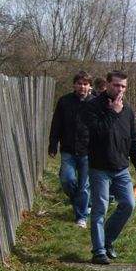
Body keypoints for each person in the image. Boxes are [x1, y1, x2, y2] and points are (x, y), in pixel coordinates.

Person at [85, 70, 136, 265]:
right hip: (99, 167)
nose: (119, 89)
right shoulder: (93, 106)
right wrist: (113, 113)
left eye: (123, 86)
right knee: (100, 208)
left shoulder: (127, 110)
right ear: (108, 84)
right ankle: (98, 251)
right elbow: (97, 133)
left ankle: (108, 240)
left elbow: (133, 139)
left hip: (121, 168)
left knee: (129, 204)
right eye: (116, 85)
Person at [48, 71, 94, 228]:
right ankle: (80, 202)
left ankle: (81, 217)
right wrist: (53, 145)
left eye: (85, 84)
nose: (82, 86)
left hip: (88, 152)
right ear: (74, 85)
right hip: (68, 149)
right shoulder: (64, 101)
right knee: (67, 180)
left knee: (84, 185)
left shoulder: (95, 103)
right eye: (79, 83)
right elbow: (56, 125)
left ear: (90, 86)